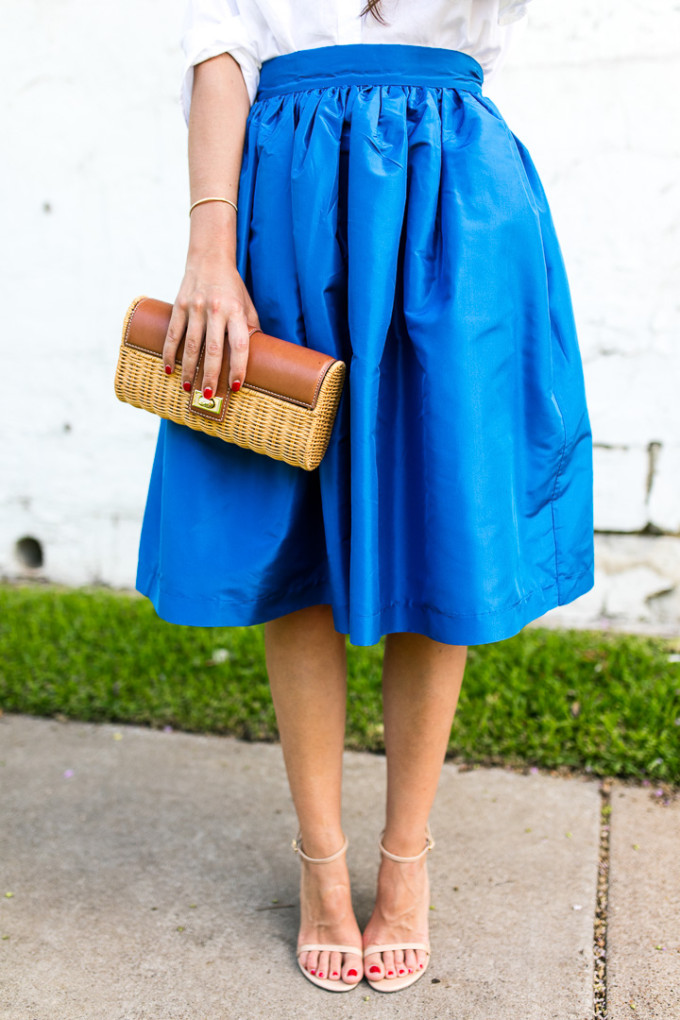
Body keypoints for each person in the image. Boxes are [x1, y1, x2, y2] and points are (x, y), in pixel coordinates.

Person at [136, 0, 595, 994]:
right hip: (287, 191)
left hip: (449, 201)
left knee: (439, 522)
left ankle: (404, 861)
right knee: (289, 510)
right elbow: (217, 42)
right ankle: (319, 863)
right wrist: (208, 251)